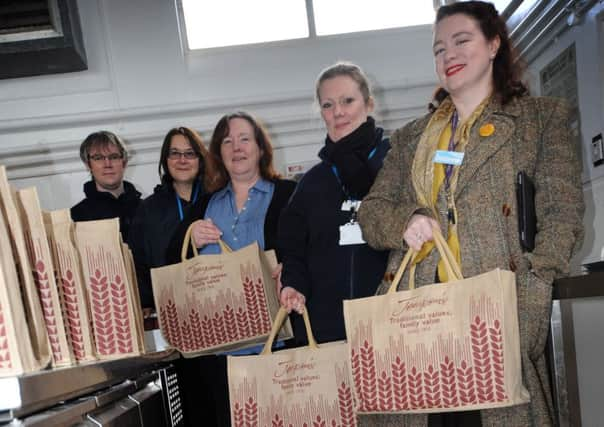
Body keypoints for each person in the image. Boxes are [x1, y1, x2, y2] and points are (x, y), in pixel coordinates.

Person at [357, 2, 585, 426]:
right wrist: (404, 221)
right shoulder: (411, 138)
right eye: (439, 49)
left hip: (497, 316)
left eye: (462, 41)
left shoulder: (540, 120)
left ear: (494, 44)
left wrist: (530, 294)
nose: (449, 56)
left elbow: (563, 214)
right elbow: (371, 213)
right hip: (417, 322)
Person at [167, 112, 296, 427]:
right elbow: (171, 261)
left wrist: (290, 268)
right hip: (220, 356)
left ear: (261, 148)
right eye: (227, 141)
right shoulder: (205, 206)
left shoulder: (288, 194)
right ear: (218, 153)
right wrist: (191, 237)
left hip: (277, 343)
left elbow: (309, 250)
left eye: (244, 139)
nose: (236, 147)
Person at [278, 62, 390, 345]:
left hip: (390, 325)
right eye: (327, 105)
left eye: (347, 101)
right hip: (325, 334)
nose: (338, 112)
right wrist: (293, 284)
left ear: (369, 103)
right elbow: (293, 250)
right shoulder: (311, 183)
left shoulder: (396, 163)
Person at [128, 127, 212, 311]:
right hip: (174, 310)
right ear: (166, 160)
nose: (182, 160)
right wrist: (147, 302)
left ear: (200, 159)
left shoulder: (217, 200)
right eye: (175, 153)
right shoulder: (148, 209)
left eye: (190, 153)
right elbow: (138, 263)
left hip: (221, 301)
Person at [71, 130, 141, 241]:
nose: (107, 164)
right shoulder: (76, 218)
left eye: (113, 157)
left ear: (124, 162)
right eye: (98, 158)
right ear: (88, 164)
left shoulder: (147, 209)